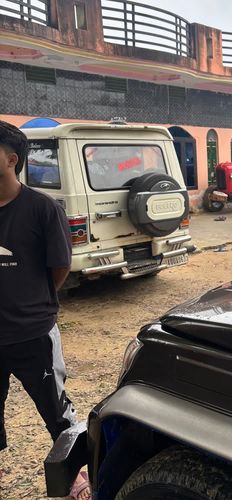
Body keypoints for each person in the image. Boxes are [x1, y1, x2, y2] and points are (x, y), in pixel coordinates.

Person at [0, 121, 90, 499]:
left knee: (58, 412)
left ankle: (76, 476)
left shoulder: (42, 208)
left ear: (11, 160)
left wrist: (32, 301)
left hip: (33, 334)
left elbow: (60, 267)